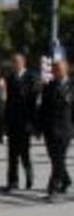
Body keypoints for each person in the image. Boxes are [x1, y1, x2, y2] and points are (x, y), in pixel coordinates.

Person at [39, 58, 73, 203]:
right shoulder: (49, 86)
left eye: (58, 68)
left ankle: (52, 189)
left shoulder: (72, 86)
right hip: (49, 128)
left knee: (58, 159)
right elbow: (43, 109)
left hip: (65, 128)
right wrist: (38, 126)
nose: (55, 71)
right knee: (55, 159)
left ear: (66, 69)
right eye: (54, 69)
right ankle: (66, 180)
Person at [4, 53, 39, 192]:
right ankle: (13, 182)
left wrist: (32, 122)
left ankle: (29, 177)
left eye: (17, 62)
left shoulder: (31, 77)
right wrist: (5, 121)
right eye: (13, 62)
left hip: (25, 121)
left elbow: (33, 102)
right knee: (12, 154)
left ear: (23, 62)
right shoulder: (10, 78)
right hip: (13, 120)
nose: (14, 64)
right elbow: (8, 101)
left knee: (24, 153)